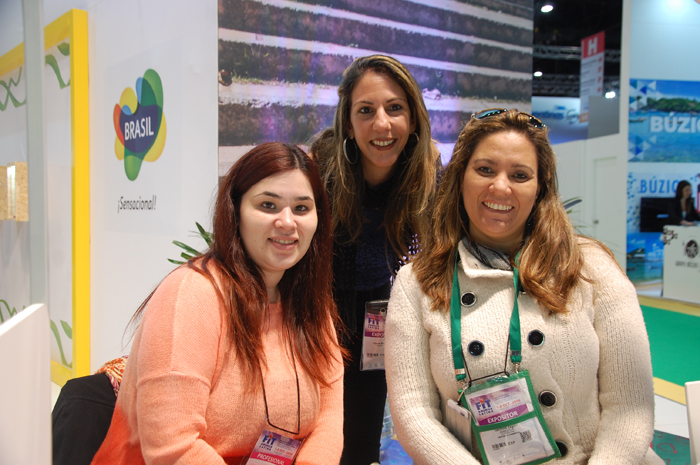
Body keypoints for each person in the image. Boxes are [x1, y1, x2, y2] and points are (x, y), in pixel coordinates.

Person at [385, 109, 663, 464]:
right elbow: (413, 412)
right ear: (460, 177)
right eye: (485, 169)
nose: (500, 186)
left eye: (519, 175)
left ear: (540, 188)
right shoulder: (417, 281)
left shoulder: (591, 267)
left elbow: (630, 404)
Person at [92, 143, 344, 465]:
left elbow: (328, 419)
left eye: (301, 208)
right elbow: (174, 447)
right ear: (235, 212)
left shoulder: (309, 303)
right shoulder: (191, 295)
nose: (287, 222)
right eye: (268, 205)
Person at [310, 54, 441, 465]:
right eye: (366, 111)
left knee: (361, 440)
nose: (381, 124)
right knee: (308, 432)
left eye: (395, 108)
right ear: (348, 123)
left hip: (376, 316)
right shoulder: (322, 167)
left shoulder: (428, 172)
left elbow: (442, 250)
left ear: (414, 117)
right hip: (315, 311)